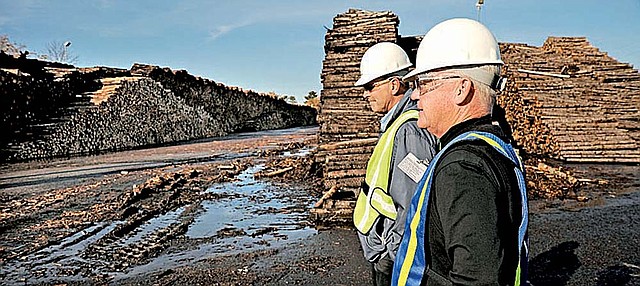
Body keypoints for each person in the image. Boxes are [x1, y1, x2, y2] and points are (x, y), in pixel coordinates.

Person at [391, 18, 529, 285]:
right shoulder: (489, 148)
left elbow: (477, 278)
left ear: (461, 89)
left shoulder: (463, 167)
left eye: (424, 83)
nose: (415, 96)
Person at [352, 42, 438, 286]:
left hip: (391, 254)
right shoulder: (397, 124)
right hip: (385, 248)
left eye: (370, 87)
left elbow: (412, 201)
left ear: (394, 85)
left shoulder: (409, 131)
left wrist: (393, 254)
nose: (365, 94)